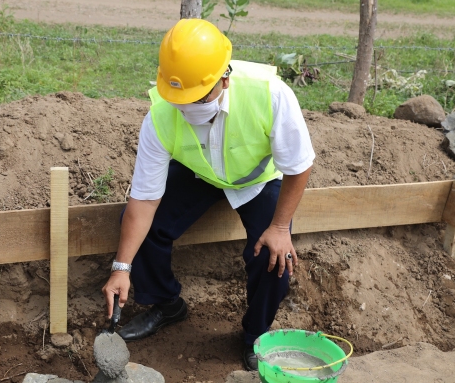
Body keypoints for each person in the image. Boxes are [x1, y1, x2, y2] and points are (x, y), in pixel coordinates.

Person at [102, 18, 315, 371]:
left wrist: (280, 227)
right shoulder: (159, 116)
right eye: (180, 99)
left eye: (199, 98)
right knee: (140, 226)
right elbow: (144, 199)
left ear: (225, 78)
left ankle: (253, 336)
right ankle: (167, 304)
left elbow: (299, 164)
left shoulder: (270, 93)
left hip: (256, 177)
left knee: (273, 258)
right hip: (200, 172)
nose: (188, 109)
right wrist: (120, 268)